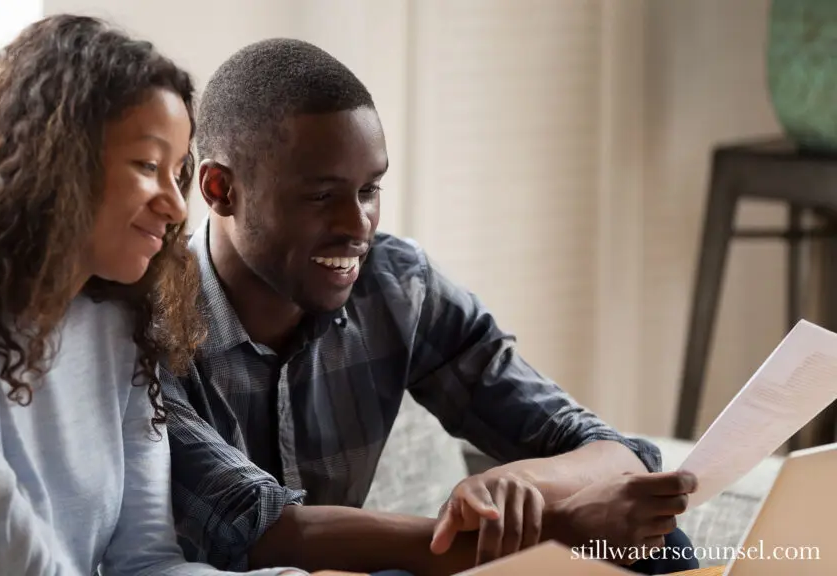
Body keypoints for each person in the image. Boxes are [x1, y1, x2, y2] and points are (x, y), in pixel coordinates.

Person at [161, 38, 700, 576]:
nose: (357, 227)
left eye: (369, 190)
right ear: (220, 188)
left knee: (659, 542)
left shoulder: (396, 286)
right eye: (322, 196)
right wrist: (558, 531)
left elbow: (614, 452)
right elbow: (269, 536)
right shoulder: (150, 331)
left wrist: (521, 483)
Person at [0, 15, 302, 576]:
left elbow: (144, 563)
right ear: (58, 161)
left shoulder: (116, 322)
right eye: (148, 166)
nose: (174, 206)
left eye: (178, 172)